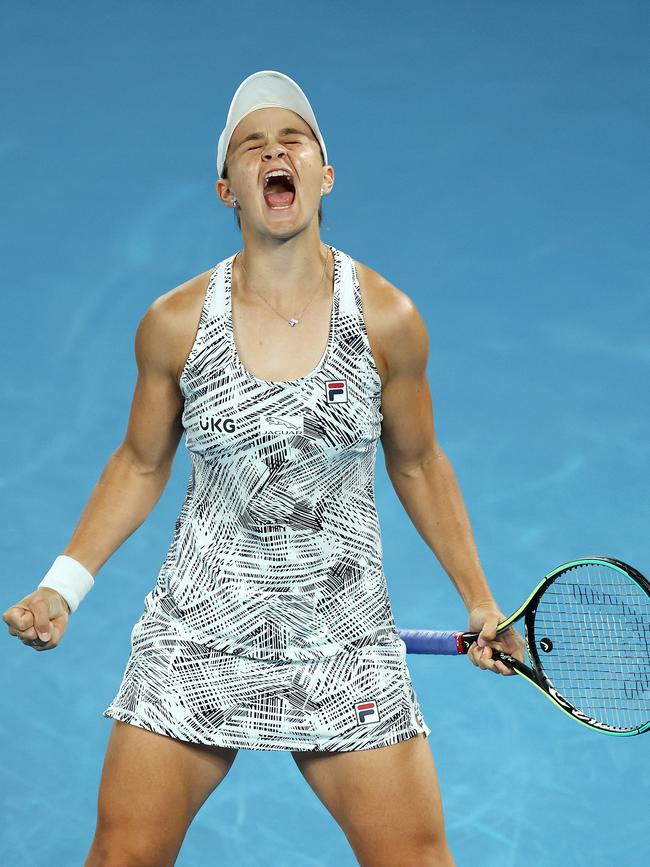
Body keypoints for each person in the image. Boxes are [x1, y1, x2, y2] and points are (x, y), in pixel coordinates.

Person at [3, 70, 525, 867]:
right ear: (228, 190)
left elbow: (418, 461)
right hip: (198, 637)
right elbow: (140, 462)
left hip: (341, 639)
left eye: (295, 141)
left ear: (324, 176)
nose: (275, 151)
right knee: (121, 858)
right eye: (253, 145)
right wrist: (63, 584)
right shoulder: (174, 325)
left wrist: (481, 599)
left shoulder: (388, 319)